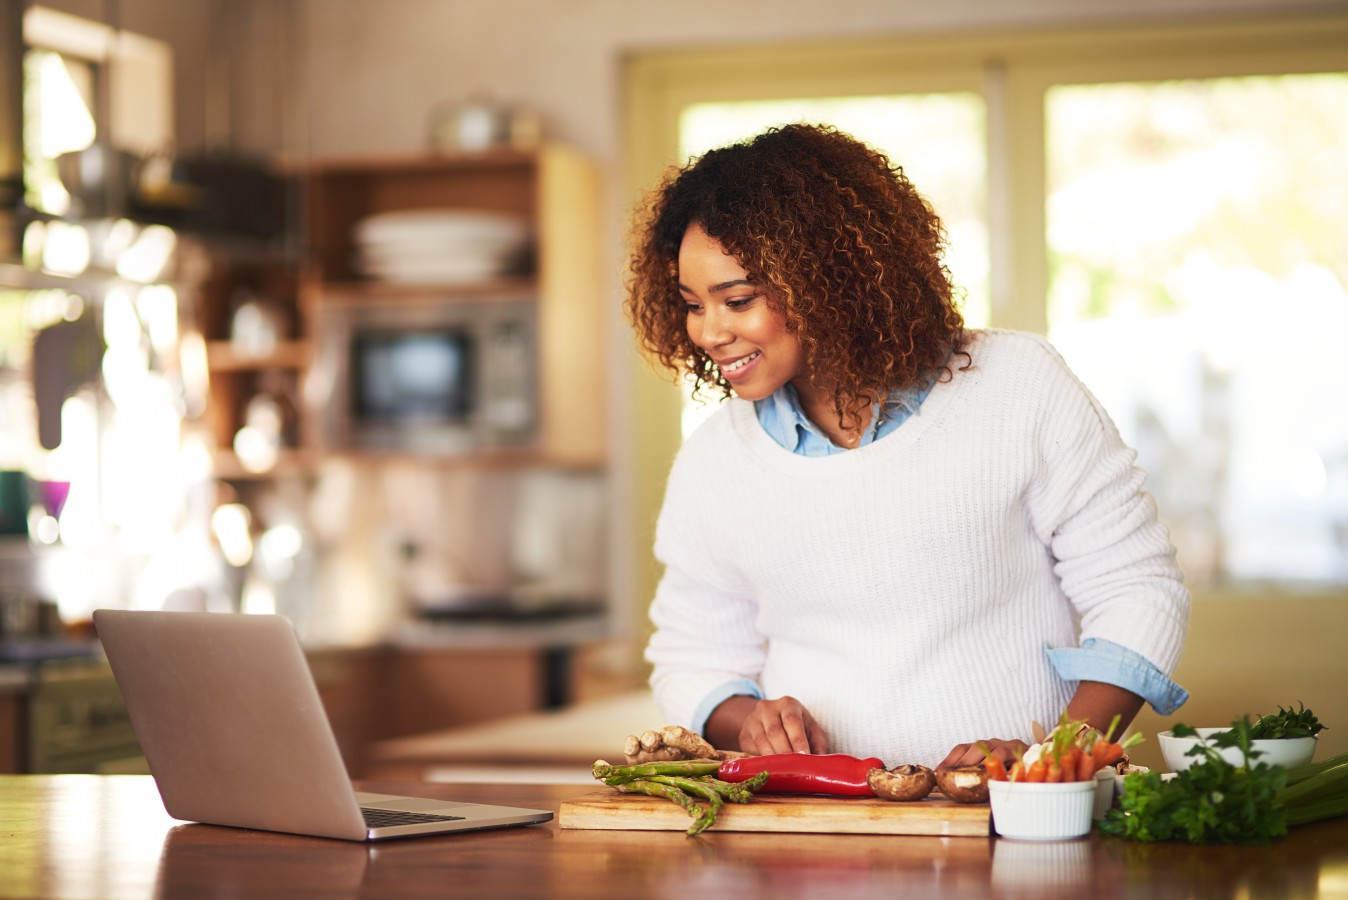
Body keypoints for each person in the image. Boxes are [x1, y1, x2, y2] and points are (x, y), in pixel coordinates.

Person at [624, 123, 1190, 770]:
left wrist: (1054, 759)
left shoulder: (1019, 385)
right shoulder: (715, 461)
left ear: (831, 277)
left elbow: (1138, 591)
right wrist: (752, 719)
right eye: (692, 304)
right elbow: (690, 660)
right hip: (823, 835)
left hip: (1017, 817)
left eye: (739, 300)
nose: (709, 331)